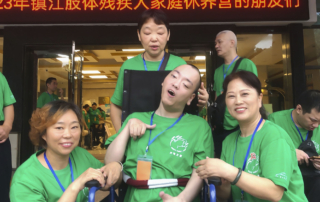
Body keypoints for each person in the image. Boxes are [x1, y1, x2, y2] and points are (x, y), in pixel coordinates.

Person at [104, 64, 214, 201]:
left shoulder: (199, 126)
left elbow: (200, 171)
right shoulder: (135, 118)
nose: (176, 84)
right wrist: (127, 129)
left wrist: (182, 199)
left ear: (191, 98)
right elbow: (109, 161)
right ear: (163, 81)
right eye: (174, 76)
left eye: (185, 85)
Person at [196, 71, 307, 202]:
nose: (238, 101)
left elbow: (274, 192)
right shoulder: (229, 141)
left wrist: (228, 171)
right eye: (231, 96)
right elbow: (225, 195)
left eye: (245, 94)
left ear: (260, 99)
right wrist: (219, 178)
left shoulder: (274, 136)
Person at [110, 9, 209, 132]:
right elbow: (116, 105)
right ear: (138, 35)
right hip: (136, 137)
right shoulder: (128, 66)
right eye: (147, 33)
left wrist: (200, 102)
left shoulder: (180, 65)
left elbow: (189, 108)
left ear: (168, 35)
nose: (154, 38)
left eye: (160, 33)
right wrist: (121, 134)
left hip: (172, 134)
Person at [10, 101, 121, 202]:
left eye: (74, 127)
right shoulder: (25, 178)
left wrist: (116, 167)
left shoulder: (81, 155)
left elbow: (110, 183)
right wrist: (75, 186)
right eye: (59, 128)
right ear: (43, 133)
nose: (68, 135)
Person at [268, 90, 320, 202]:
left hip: (314, 184)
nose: (316, 125)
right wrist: (290, 152)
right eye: (313, 120)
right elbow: (263, 152)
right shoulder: (274, 121)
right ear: (299, 109)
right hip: (287, 184)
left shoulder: (318, 126)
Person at [213, 30, 258, 158]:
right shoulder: (217, 71)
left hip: (241, 124)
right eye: (215, 43)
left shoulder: (246, 64)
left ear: (232, 43)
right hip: (221, 125)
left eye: (219, 42)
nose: (216, 45)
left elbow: (254, 93)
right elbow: (217, 98)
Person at [0, 72, 16, 202]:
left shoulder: (0, 77)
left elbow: (8, 104)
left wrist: (7, 126)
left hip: (1, 135)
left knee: (3, 180)